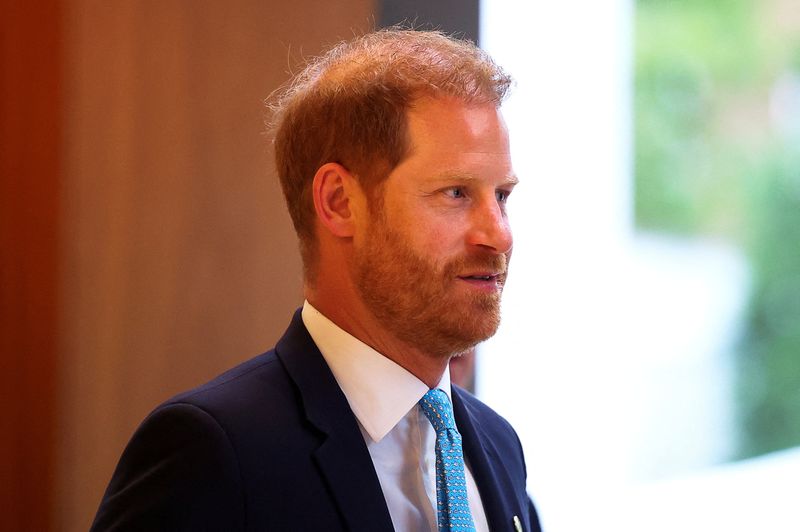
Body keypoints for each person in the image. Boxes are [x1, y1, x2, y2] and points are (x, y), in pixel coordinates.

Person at [91, 28, 542, 532]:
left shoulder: (497, 446)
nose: (498, 235)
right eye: (455, 193)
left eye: (501, 195)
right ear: (338, 202)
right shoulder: (215, 452)